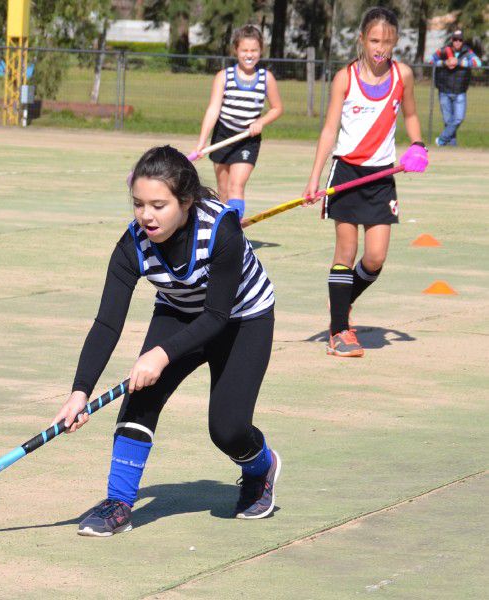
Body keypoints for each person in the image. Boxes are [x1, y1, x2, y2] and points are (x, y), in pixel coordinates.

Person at [52, 145, 280, 537]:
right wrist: (79, 391)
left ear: (186, 201)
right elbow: (108, 323)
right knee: (140, 398)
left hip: (243, 319)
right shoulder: (132, 244)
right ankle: (119, 503)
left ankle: (261, 468)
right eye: (139, 204)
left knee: (227, 430)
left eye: (158, 205)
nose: (146, 215)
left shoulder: (221, 230)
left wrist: (161, 353)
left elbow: (216, 316)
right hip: (178, 312)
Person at [302, 7, 428, 358]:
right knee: (346, 250)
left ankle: (340, 304)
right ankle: (340, 330)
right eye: (374, 40)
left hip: (382, 176)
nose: (380, 48)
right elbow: (329, 129)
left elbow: (412, 115)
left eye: (388, 41)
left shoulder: (402, 75)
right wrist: (314, 177)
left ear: (396, 42)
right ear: (362, 39)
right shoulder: (346, 77)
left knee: (375, 258)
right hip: (346, 174)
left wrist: (417, 146)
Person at [194, 24, 283, 219]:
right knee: (223, 190)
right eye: (244, 50)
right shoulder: (224, 77)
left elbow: (277, 108)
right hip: (222, 135)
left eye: (254, 50)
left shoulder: (266, 78)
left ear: (261, 50)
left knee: (236, 186)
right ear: (236, 50)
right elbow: (213, 109)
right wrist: (202, 141)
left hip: (247, 139)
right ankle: (222, 230)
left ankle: (234, 231)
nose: (249, 55)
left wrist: (261, 121)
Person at [431, 29, 483, 147]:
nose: (457, 42)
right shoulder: (444, 50)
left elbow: (478, 63)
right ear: (452, 40)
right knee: (448, 122)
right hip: (444, 90)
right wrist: (445, 63)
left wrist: (459, 62)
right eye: (455, 39)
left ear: (462, 41)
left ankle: (441, 140)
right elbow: (431, 61)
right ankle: (452, 146)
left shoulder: (468, 52)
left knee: (458, 119)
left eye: (460, 40)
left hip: (460, 92)